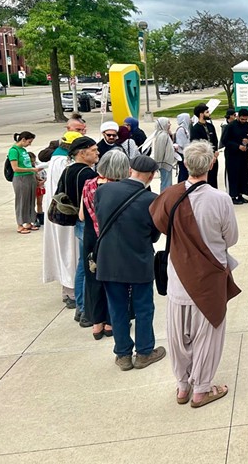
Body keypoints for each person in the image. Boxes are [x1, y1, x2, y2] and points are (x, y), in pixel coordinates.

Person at [150, 140, 241, 408]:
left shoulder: (169, 195)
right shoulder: (220, 199)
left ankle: (182, 386)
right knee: (207, 334)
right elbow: (231, 238)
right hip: (210, 276)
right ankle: (201, 389)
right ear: (212, 164)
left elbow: (160, 224)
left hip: (179, 275)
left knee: (178, 334)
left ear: (186, 164)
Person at [96, 155, 165, 372]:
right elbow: (155, 235)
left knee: (117, 308)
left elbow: (99, 220)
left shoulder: (103, 191)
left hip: (109, 260)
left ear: (130, 169)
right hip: (138, 259)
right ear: (152, 175)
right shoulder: (151, 199)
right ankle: (144, 352)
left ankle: (123, 354)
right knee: (143, 307)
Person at [79, 149, 131, 340]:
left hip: (92, 238)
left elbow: (82, 215)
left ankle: (96, 323)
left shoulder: (88, 184)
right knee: (115, 280)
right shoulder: (121, 188)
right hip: (113, 238)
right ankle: (111, 322)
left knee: (94, 280)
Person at [42, 130, 83, 309]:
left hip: (56, 212)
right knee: (70, 251)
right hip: (65, 212)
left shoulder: (55, 160)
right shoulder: (64, 163)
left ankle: (67, 289)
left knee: (63, 250)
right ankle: (71, 290)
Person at [65, 136, 100, 326]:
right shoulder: (87, 174)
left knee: (82, 264)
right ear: (82, 152)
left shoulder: (68, 170)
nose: (97, 153)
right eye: (93, 150)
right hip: (85, 222)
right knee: (89, 265)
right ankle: (86, 309)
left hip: (76, 222)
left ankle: (80, 307)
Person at [8, 131, 38, 234]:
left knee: (30, 200)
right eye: (29, 142)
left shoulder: (23, 150)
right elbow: (15, 168)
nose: (29, 144)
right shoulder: (14, 151)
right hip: (21, 178)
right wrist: (31, 170)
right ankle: (20, 224)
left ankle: (29, 221)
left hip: (30, 177)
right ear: (23, 139)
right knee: (21, 201)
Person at [221, 108, 248, 204]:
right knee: (233, 174)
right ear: (238, 117)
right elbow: (224, 141)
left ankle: (240, 194)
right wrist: (237, 146)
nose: (244, 121)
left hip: (242, 155)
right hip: (232, 154)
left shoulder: (246, 125)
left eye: (246, 119)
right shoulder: (230, 126)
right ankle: (233, 195)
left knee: (242, 174)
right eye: (242, 119)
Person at [190, 104, 220, 189]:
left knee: (213, 180)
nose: (209, 114)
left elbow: (215, 140)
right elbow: (196, 145)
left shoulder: (210, 126)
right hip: (204, 160)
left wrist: (215, 154)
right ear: (201, 114)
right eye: (207, 112)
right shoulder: (195, 129)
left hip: (214, 159)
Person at [143, 117, 177, 191]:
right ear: (163, 124)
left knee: (167, 183)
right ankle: (164, 199)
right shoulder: (162, 136)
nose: (170, 124)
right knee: (166, 183)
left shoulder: (165, 134)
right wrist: (159, 164)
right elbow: (160, 152)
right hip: (164, 164)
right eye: (168, 123)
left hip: (166, 163)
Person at [174, 113, 191, 183]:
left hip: (186, 153)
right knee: (183, 172)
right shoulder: (181, 130)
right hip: (182, 154)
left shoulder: (186, 128)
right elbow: (182, 143)